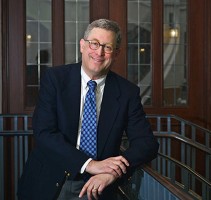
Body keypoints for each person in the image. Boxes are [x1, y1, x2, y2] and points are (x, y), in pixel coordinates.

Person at [18, 19, 159, 200]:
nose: (99, 52)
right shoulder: (55, 79)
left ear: (116, 53)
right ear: (82, 46)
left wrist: (113, 173)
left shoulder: (127, 92)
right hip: (49, 180)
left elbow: (147, 143)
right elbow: (44, 132)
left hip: (97, 187)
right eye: (94, 44)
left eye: (107, 47)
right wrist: (89, 164)